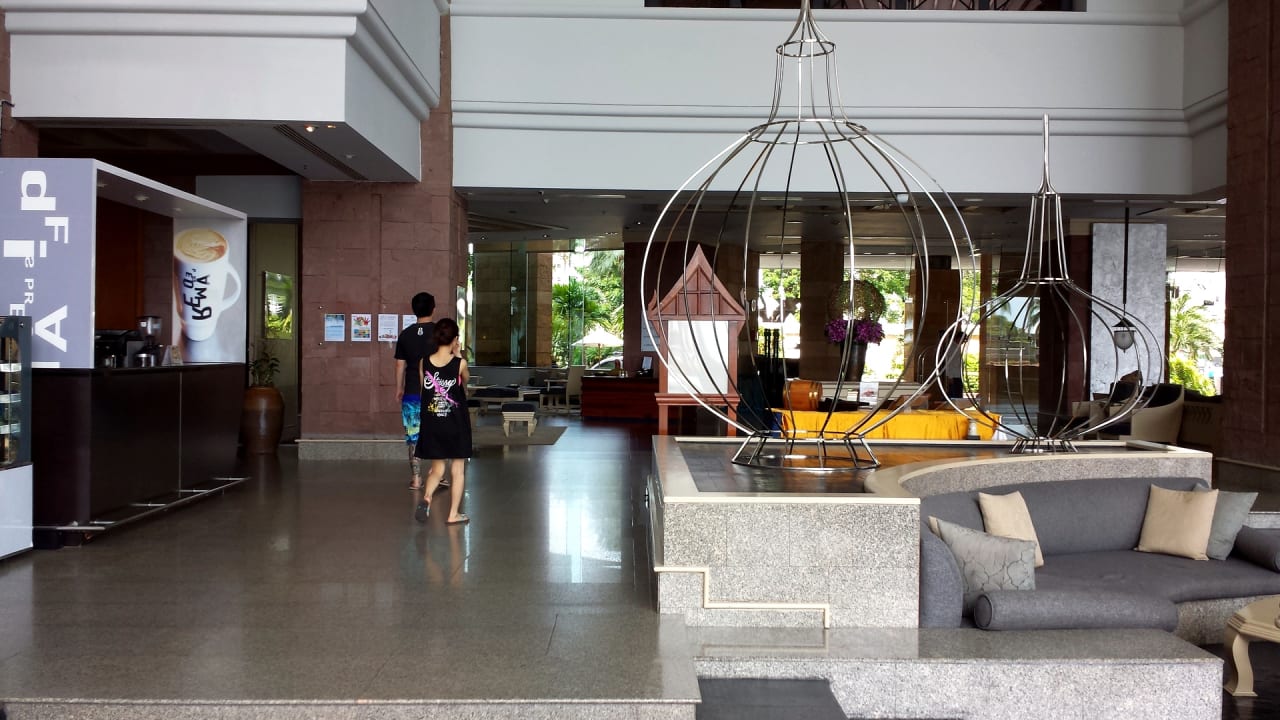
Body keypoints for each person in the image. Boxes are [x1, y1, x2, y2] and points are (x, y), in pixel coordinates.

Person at [413, 318, 472, 525]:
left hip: (432, 422)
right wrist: (458, 355)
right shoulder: (460, 364)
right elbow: (466, 380)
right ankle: (453, 514)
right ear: (455, 339)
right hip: (455, 423)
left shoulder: (424, 362)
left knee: (437, 469)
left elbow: (424, 391)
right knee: (457, 468)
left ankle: (427, 497)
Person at [394, 292, 448, 491]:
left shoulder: (405, 334)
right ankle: (437, 475)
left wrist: (399, 388)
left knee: (413, 435)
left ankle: (416, 479)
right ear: (433, 309)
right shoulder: (440, 333)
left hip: (412, 393)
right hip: (436, 392)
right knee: (438, 434)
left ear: (413, 310)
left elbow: (400, 365)